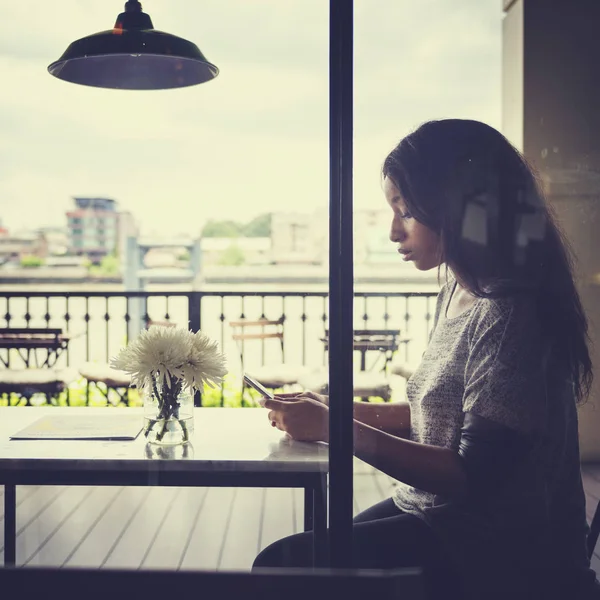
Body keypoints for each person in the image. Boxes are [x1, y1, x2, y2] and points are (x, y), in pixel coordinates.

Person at [252, 119, 599, 599]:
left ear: (456, 209)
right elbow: (438, 419)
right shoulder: (459, 288)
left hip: (502, 552)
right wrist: (328, 411)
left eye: (407, 211)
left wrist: (333, 428)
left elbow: (469, 477)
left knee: (282, 565)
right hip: (443, 518)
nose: (394, 231)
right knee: (307, 556)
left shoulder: (510, 315)